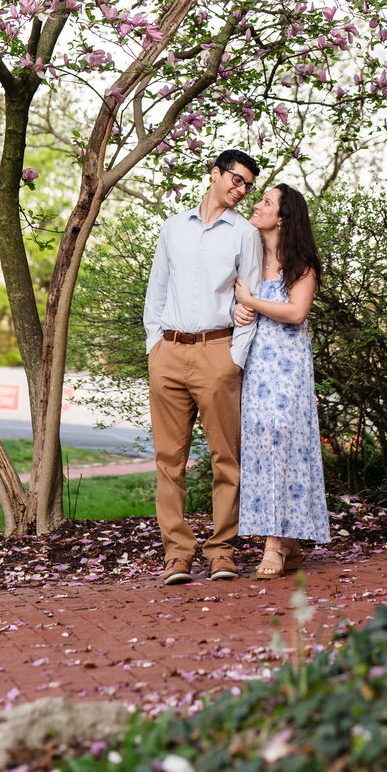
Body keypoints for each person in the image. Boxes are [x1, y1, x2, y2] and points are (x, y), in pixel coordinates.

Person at [143, 148, 262, 586]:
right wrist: (154, 346)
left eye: (248, 185)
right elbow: (156, 291)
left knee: (225, 459)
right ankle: (177, 553)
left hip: (218, 354)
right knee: (168, 462)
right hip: (169, 354)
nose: (241, 189)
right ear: (215, 174)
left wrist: (235, 359)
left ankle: (222, 551)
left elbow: (248, 299)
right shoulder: (173, 228)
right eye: (236, 179)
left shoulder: (245, 234)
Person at [234, 182, 330, 578]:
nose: (257, 204)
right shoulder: (250, 259)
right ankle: (287, 542)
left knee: (283, 447)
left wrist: (251, 303)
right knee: (260, 448)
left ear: (283, 217)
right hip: (256, 367)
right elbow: (236, 302)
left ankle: (274, 545)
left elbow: (295, 312)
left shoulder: (302, 264)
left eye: (266, 202)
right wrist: (238, 313)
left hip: (287, 370)